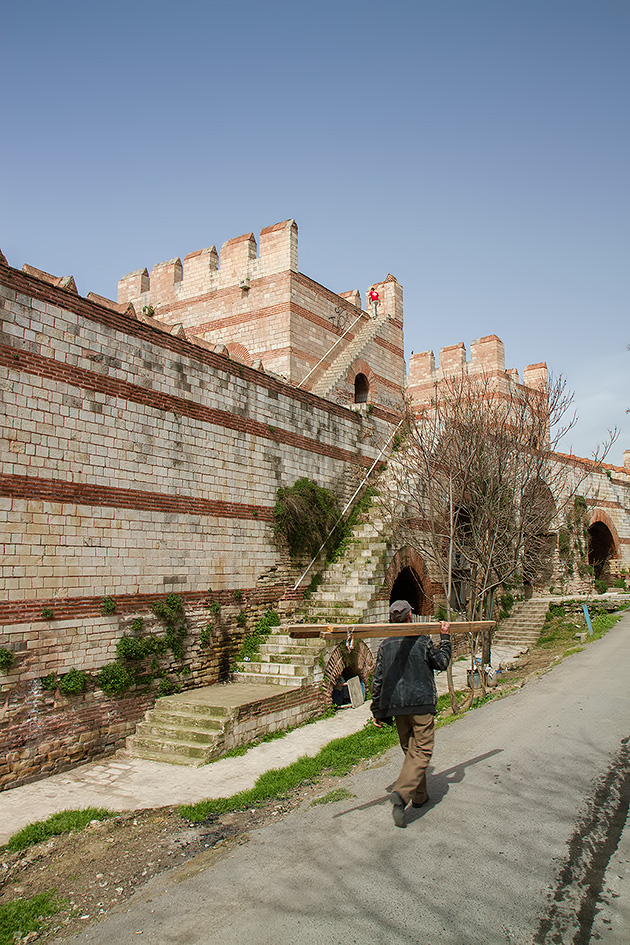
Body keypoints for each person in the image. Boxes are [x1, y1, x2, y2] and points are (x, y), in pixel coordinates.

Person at [371, 600, 451, 828]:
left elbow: (378, 680)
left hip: (398, 708)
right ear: (410, 617)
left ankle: (420, 796)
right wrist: (445, 638)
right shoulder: (422, 640)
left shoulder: (385, 645)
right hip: (421, 704)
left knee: (411, 752)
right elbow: (442, 663)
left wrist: (377, 709)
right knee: (422, 751)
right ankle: (402, 793)